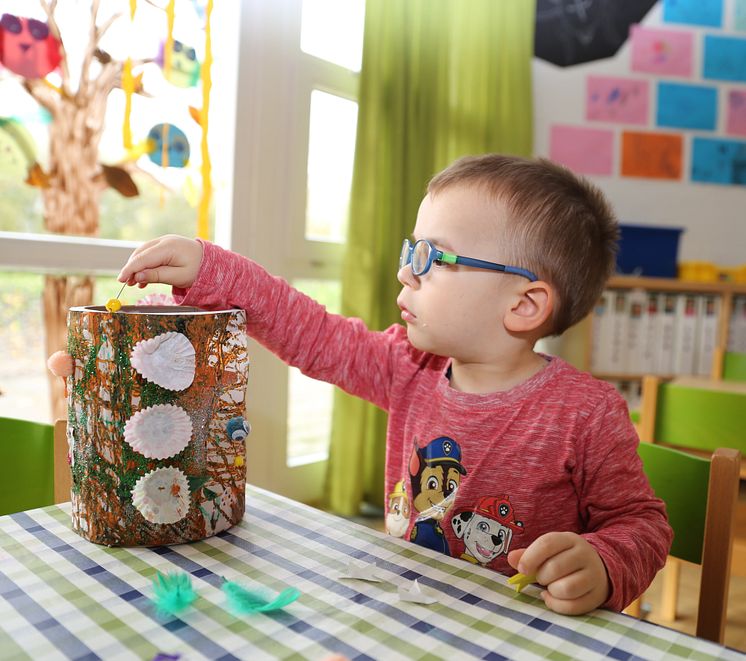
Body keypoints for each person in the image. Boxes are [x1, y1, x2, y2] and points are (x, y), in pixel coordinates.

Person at [52, 154, 672, 616]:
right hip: (411, 612)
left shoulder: (586, 413)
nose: (406, 270)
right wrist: (219, 271)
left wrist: (605, 563)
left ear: (526, 303)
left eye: (432, 256)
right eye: (411, 249)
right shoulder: (411, 367)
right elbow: (314, 335)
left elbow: (640, 523)